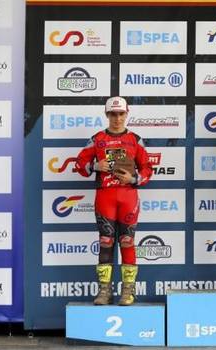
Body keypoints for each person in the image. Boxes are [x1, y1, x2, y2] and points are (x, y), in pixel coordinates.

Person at [74, 96, 153, 305]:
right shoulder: (97, 139)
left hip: (128, 196)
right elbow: (79, 164)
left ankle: (128, 292)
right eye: (113, 114)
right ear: (106, 114)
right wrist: (95, 166)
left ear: (127, 114)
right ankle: (104, 292)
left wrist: (133, 179)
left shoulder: (135, 139)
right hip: (105, 196)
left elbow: (147, 169)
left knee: (127, 241)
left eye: (121, 114)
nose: (117, 118)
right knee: (105, 242)